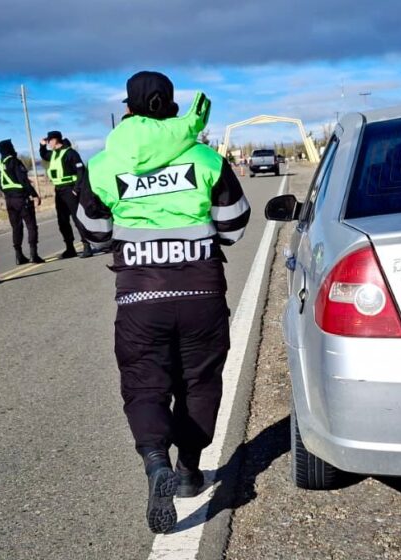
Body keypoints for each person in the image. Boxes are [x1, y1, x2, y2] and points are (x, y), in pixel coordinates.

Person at [74, 71, 251, 534]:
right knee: (200, 382)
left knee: (144, 384)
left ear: (128, 109)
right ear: (171, 107)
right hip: (201, 294)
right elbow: (234, 225)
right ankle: (188, 470)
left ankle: (156, 461)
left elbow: (93, 232)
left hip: (140, 297)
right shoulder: (206, 158)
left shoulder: (102, 165)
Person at [39, 131, 93, 259]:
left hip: (70, 189)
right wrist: (42, 145)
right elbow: (44, 154)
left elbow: (81, 171)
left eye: (49, 141)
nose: (48, 143)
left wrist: (76, 189)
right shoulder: (53, 154)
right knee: (62, 221)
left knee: (77, 218)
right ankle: (70, 248)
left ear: (55, 140)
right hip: (59, 191)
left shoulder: (70, 153)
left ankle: (87, 246)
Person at [0, 140, 45, 265]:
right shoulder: (14, 161)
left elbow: (0, 184)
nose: (14, 148)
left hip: (9, 200)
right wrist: (34, 195)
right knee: (31, 225)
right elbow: (23, 180)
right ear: (9, 148)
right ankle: (34, 255)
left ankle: (19, 256)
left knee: (16, 227)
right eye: (12, 146)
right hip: (21, 198)